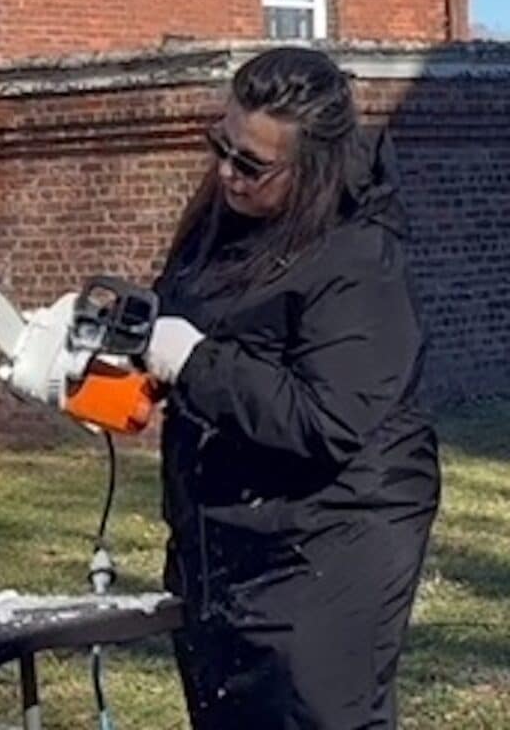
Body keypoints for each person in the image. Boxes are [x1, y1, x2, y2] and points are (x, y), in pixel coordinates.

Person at [140, 47, 441, 728]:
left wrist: (194, 364)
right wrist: (123, 359)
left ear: (311, 166)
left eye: (250, 164)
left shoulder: (359, 259)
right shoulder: (224, 220)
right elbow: (181, 316)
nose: (226, 174)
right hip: (223, 535)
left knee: (312, 714)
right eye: (222, 146)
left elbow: (325, 417)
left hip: (332, 537)